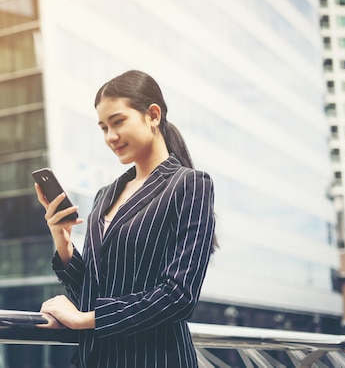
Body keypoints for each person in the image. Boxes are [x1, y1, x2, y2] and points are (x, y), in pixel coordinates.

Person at [34, 70, 217, 367]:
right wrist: (63, 243)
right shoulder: (105, 195)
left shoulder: (189, 184)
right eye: (103, 127)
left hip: (156, 359)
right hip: (97, 359)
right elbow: (95, 289)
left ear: (153, 115)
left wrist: (85, 320)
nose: (111, 137)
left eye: (118, 122)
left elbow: (178, 296)